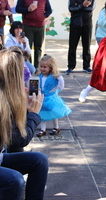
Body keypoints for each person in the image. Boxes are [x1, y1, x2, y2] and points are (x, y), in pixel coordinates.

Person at [0, 47, 48, 199]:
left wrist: (25, 109)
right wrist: (33, 113)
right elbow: (20, 139)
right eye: (23, 70)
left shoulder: (7, 98)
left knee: (39, 160)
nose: (26, 73)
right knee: (14, 180)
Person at [37, 54, 72, 137]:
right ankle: (43, 129)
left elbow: (61, 87)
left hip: (51, 98)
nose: (42, 68)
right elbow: (38, 86)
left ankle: (56, 127)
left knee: (54, 113)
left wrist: (60, 78)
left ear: (51, 67)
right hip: (42, 98)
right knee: (42, 114)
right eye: (41, 66)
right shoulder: (40, 76)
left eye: (45, 67)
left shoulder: (54, 77)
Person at [16, 0, 52, 69]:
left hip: (40, 26)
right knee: (27, 47)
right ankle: (29, 67)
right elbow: (17, 9)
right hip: (27, 26)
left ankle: (37, 67)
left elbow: (49, 10)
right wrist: (28, 9)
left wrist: (43, 16)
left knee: (38, 47)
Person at [66, 0, 96, 75]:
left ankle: (86, 66)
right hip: (75, 23)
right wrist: (82, 5)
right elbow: (71, 8)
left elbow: (91, 8)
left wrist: (78, 6)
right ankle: (71, 66)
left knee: (86, 45)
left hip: (87, 23)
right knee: (72, 45)